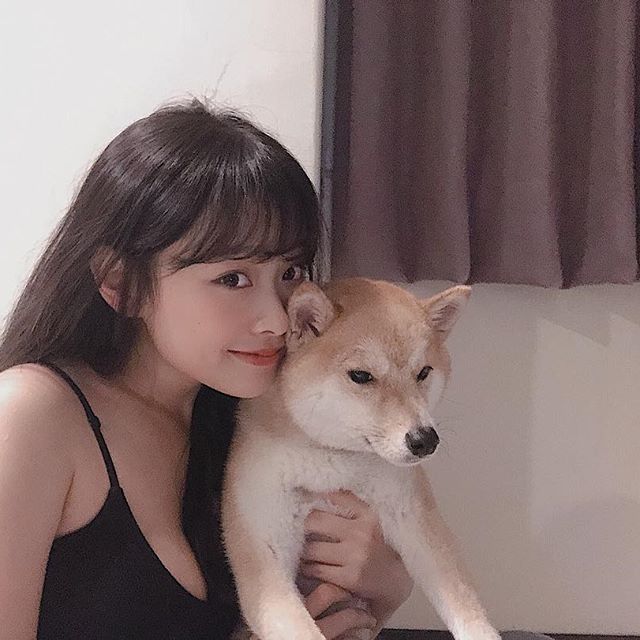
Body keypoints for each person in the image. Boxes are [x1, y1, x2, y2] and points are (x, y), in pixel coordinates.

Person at [0, 99, 413, 640]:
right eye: (232, 279)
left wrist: (386, 585)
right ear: (121, 283)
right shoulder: (32, 416)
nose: (276, 318)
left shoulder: (252, 421)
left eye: (290, 271)